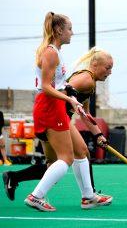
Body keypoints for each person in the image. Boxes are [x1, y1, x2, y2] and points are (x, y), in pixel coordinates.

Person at [23, 12, 111, 212]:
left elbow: (59, 84)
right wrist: (69, 99)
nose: (72, 33)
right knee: (65, 158)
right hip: (49, 106)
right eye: (69, 29)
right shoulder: (51, 52)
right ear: (58, 30)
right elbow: (45, 87)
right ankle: (36, 196)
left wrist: (69, 95)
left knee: (81, 151)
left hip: (54, 105)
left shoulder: (55, 51)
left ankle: (88, 197)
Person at [3, 48, 113, 203]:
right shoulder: (85, 80)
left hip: (52, 118)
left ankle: (14, 177)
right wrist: (61, 118)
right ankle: (88, 197)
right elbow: (61, 92)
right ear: (94, 65)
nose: (110, 72)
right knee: (81, 152)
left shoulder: (90, 83)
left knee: (53, 166)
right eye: (107, 67)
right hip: (55, 118)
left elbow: (85, 115)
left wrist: (98, 135)